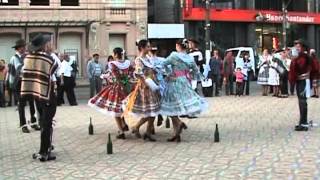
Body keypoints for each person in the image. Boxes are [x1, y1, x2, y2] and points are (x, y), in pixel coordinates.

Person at [161, 39, 207, 142]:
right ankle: (176, 133)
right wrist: (189, 76)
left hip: (174, 81)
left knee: (171, 106)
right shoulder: (189, 58)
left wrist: (169, 73)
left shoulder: (174, 56)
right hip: (185, 82)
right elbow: (196, 72)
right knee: (176, 106)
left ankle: (179, 123)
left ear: (178, 46)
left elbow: (163, 64)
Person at [20, 34, 58, 161]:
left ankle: (45, 149)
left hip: (36, 94)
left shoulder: (27, 58)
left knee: (43, 122)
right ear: (43, 45)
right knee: (47, 124)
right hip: (47, 94)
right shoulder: (48, 59)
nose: (49, 44)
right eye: (47, 43)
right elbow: (52, 70)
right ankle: (44, 152)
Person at [89, 47, 133, 139]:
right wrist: (126, 80)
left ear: (116, 54)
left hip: (117, 88)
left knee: (115, 110)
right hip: (126, 87)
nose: (113, 55)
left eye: (113, 54)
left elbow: (115, 76)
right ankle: (124, 124)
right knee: (121, 108)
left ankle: (121, 131)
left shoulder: (112, 64)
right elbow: (131, 74)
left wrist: (107, 77)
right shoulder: (128, 63)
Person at [124, 40, 161, 142]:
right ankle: (137, 127)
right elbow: (139, 73)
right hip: (145, 86)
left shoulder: (148, 58)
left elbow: (151, 69)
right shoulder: (139, 60)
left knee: (154, 111)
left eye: (149, 46)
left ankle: (147, 132)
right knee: (151, 111)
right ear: (142, 48)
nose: (149, 48)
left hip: (152, 84)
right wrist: (146, 82)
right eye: (148, 47)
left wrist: (154, 72)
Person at [8, 39, 40, 133]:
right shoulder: (14, 58)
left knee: (31, 104)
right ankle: (23, 125)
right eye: (22, 47)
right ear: (18, 48)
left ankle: (34, 123)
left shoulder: (27, 57)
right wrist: (11, 85)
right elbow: (15, 71)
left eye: (24, 47)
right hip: (18, 84)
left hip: (28, 83)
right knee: (21, 105)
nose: (24, 48)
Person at [289, 39, 319, 131]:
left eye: (298, 46)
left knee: (302, 102)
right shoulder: (301, 57)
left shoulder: (305, 57)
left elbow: (313, 68)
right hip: (300, 81)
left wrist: (294, 60)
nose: (297, 48)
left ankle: (304, 123)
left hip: (303, 81)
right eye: (296, 46)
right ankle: (302, 122)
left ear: (303, 47)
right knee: (301, 101)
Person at [148, 43, 167, 129]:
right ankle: (159, 115)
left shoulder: (147, 60)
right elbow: (166, 71)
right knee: (160, 101)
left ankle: (151, 127)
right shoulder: (162, 60)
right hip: (160, 82)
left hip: (150, 83)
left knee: (151, 103)